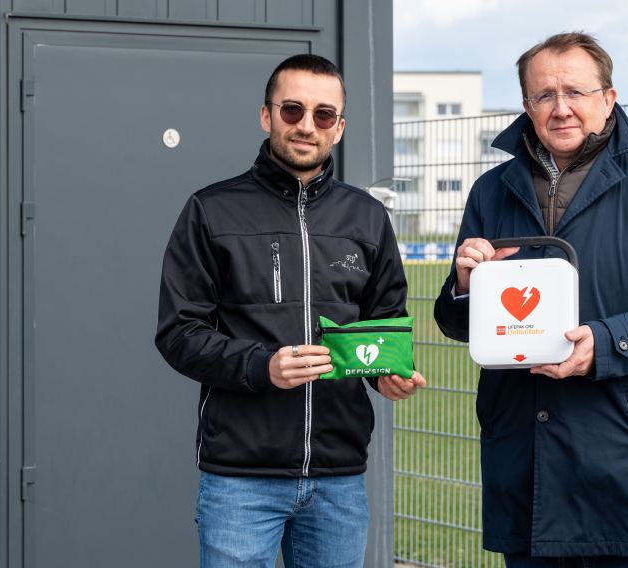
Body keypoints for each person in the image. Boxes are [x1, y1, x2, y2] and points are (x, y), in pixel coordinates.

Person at [434, 32, 628, 567]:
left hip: (622, 458)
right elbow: (457, 322)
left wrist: (607, 342)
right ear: (526, 106)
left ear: (609, 99)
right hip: (523, 459)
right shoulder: (491, 191)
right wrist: (463, 287)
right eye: (544, 95)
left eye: (576, 91)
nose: (561, 108)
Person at [156, 53, 427, 567]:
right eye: (292, 110)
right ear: (267, 115)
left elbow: (382, 322)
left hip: (338, 479)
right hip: (240, 479)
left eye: (323, 115)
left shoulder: (367, 217)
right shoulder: (211, 210)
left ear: (339, 128)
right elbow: (179, 332)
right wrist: (262, 366)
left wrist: (387, 374)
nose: (307, 125)